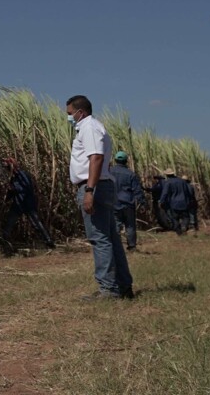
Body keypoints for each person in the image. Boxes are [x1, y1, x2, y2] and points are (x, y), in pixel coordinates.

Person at [67, 95, 133, 300]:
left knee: (100, 239)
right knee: (111, 239)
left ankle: (108, 290)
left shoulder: (89, 127)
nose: (69, 118)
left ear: (81, 112)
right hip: (100, 186)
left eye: (70, 114)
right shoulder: (91, 127)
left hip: (94, 186)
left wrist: (89, 190)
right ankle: (122, 286)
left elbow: (96, 157)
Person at [0, 157, 56, 251]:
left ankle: (48, 242)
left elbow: (26, 188)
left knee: (37, 223)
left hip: (28, 203)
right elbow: (11, 193)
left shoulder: (23, 175)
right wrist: (7, 196)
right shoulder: (12, 178)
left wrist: (13, 188)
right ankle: (4, 243)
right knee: (9, 223)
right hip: (18, 205)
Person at [108, 151, 143, 250]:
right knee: (130, 225)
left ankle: (116, 246)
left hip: (114, 203)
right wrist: (142, 202)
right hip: (128, 203)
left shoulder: (109, 171)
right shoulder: (131, 174)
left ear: (115, 160)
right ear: (126, 161)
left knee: (116, 225)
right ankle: (132, 246)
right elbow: (137, 190)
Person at [159, 169, 193, 235]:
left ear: (167, 175)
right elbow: (188, 192)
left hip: (174, 203)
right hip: (184, 202)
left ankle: (179, 232)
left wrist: (161, 201)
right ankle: (184, 226)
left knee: (175, 218)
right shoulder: (182, 181)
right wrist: (189, 200)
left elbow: (165, 193)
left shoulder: (168, 182)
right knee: (186, 217)